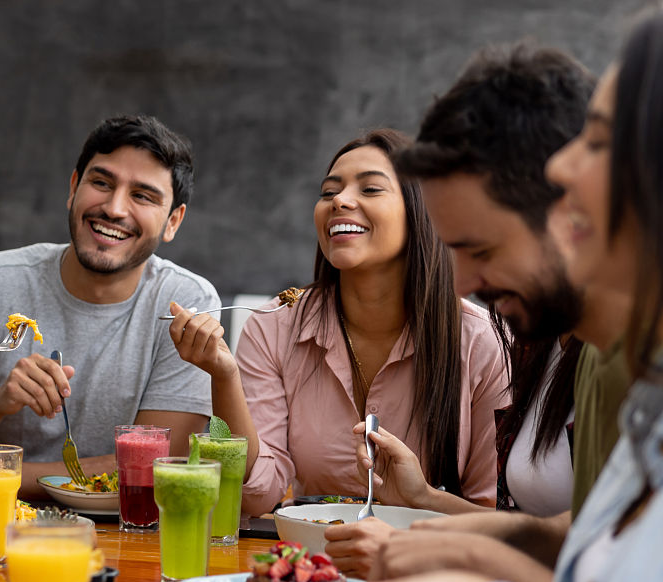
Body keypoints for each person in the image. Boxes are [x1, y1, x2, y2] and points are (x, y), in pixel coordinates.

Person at [277, 20, 663, 582]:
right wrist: (448, 539)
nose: (567, 169)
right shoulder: (636, 383)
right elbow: (589, 553)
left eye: (598, 140)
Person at [350, 48, 632, 582]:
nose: (460, 284)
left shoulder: (627, 358)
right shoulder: (564, 343)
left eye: (480, 249)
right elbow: (584, 535)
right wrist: (425, 510)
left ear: (571, 207)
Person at [170, 129, 507, 517]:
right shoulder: (272, 327)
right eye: (329, 192)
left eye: (370, 190)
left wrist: (425, 499)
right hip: (309, 561)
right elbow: (256, 497)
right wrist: (224, 377)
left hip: (433, 567)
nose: (340, 201)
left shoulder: (482, 342)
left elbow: (495, 520)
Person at [0, 115, 219, 496]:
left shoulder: (189, 304)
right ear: (74, 187)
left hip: (127, 531)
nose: (114, 208)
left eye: (142, 195)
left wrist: (1, 472)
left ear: (173, 221)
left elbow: (152, 469)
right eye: (101, 183)